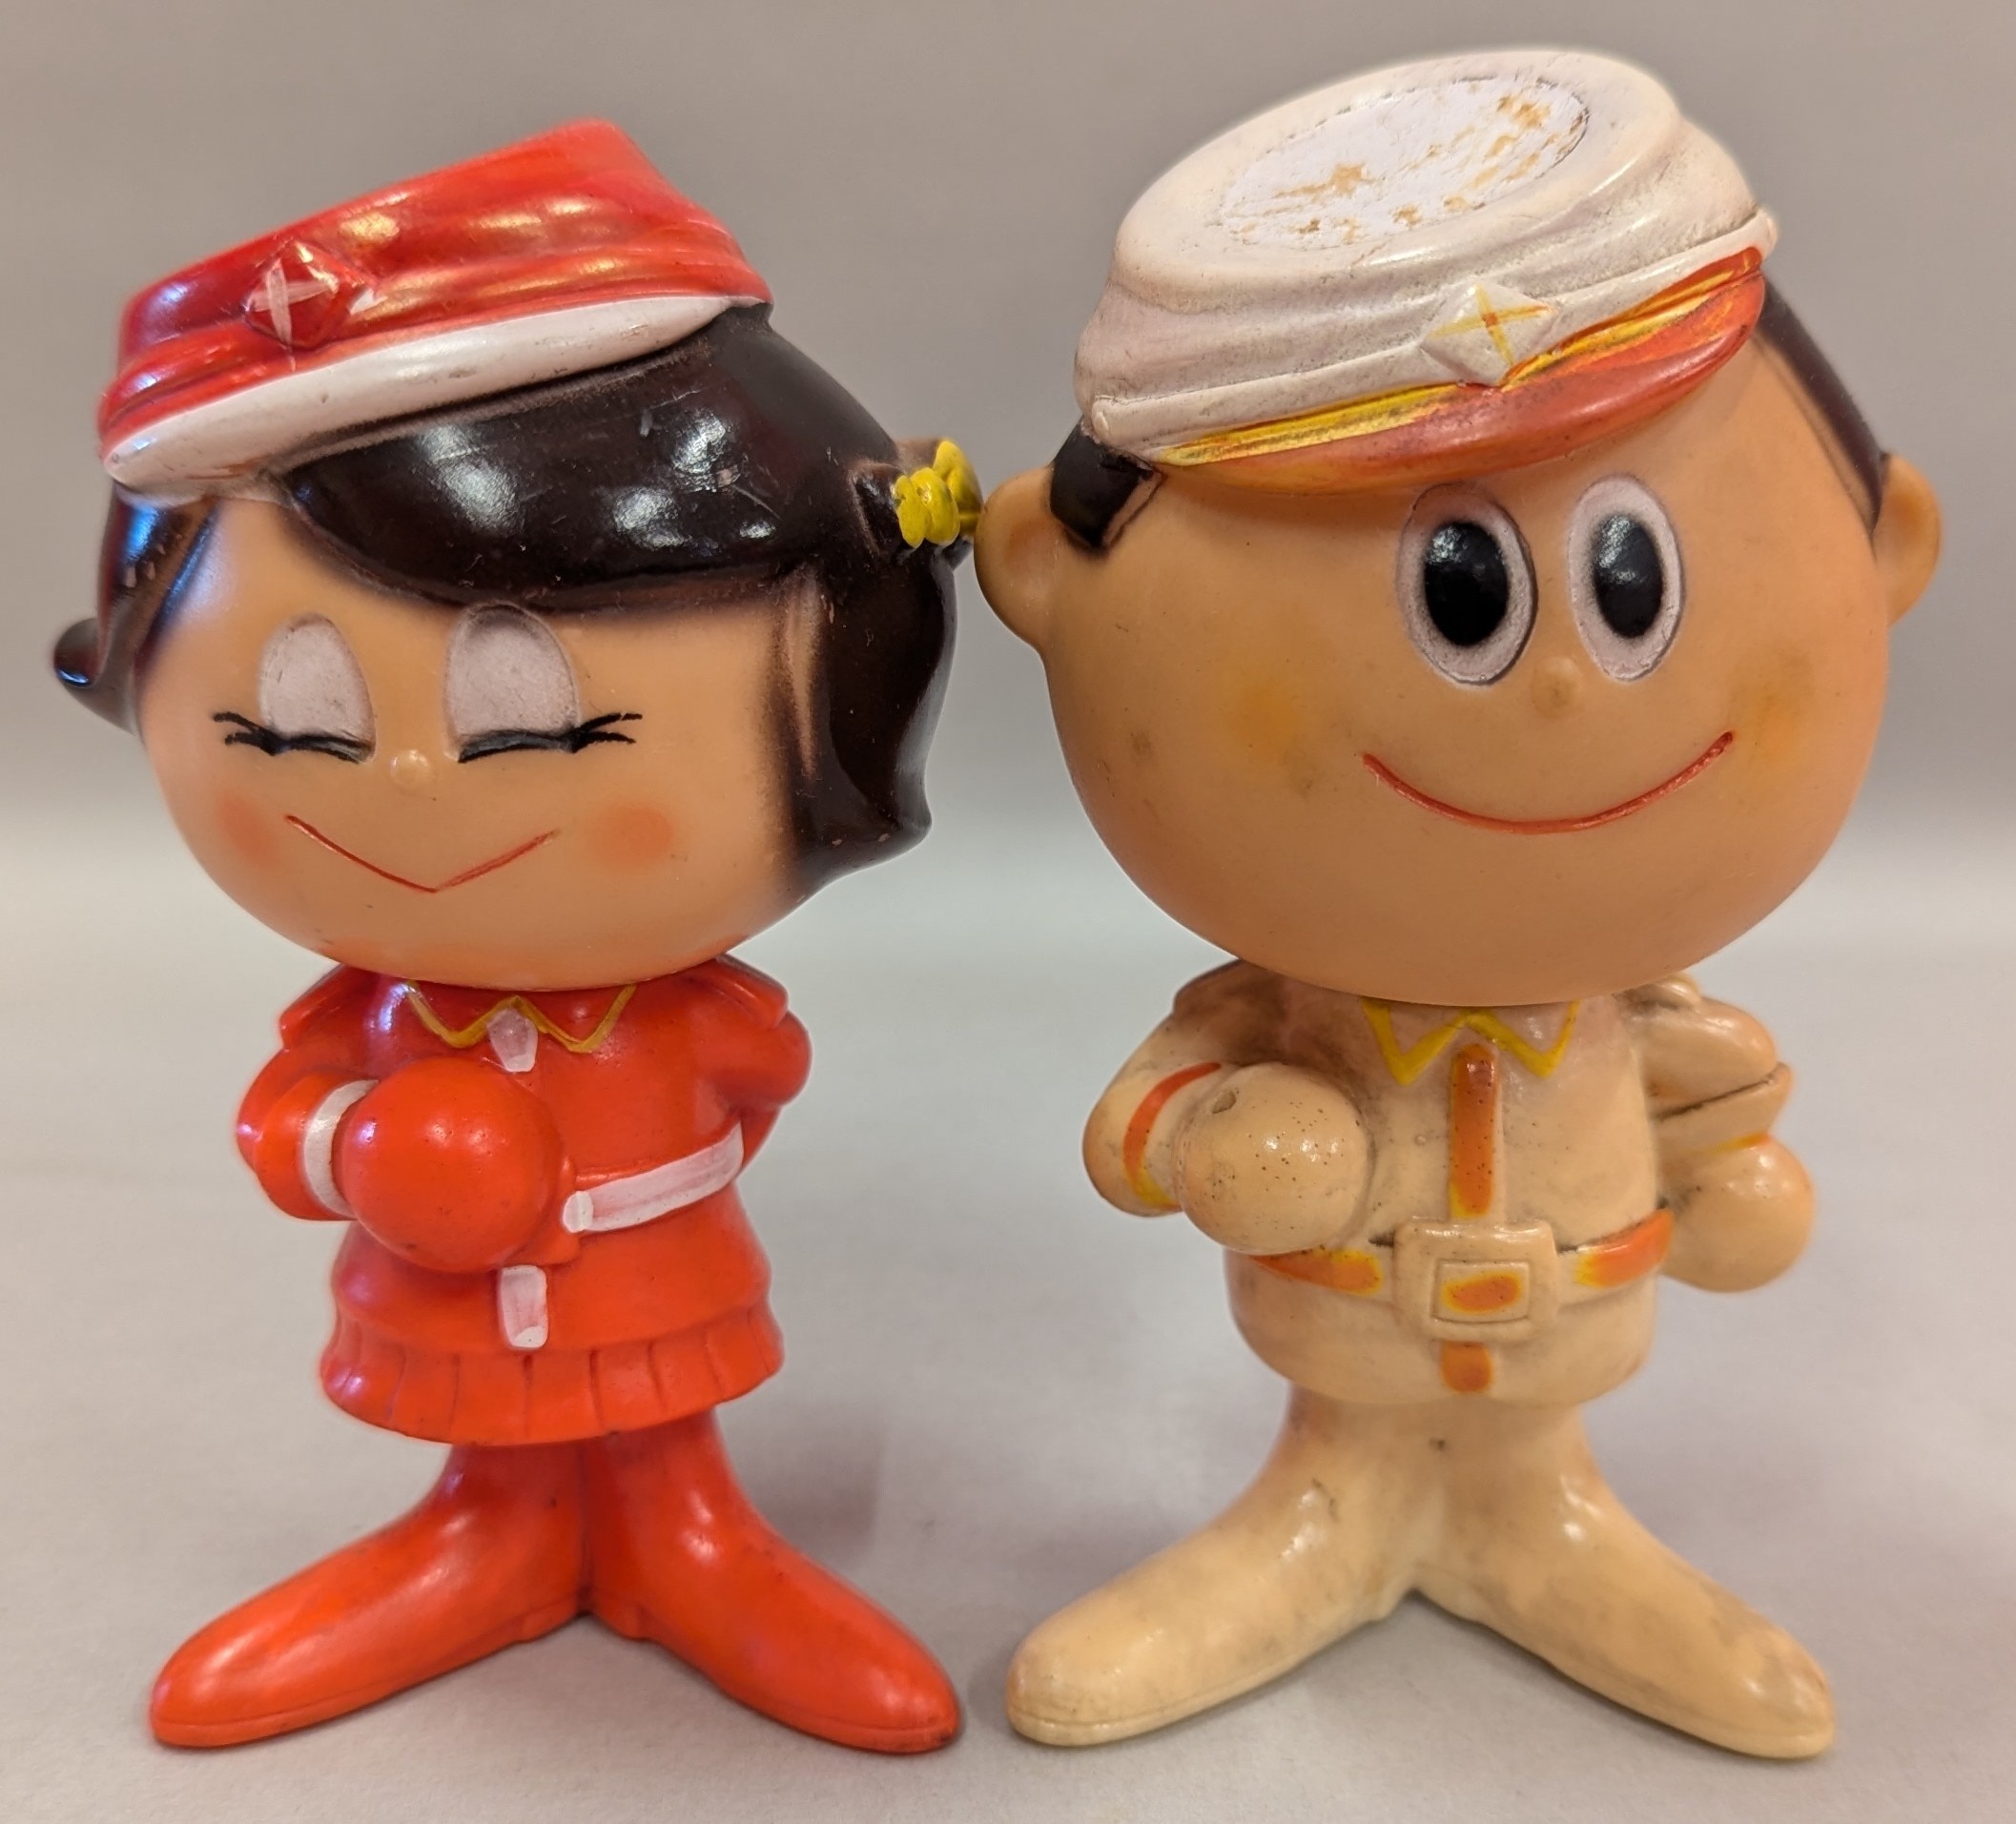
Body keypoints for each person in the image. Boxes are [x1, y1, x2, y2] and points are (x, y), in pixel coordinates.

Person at [977, 50, 1940, 1757]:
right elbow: (1138, 1129)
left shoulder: (1651, 1026)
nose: (1562, 690)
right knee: (1329, 1456)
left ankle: (1536, 1519)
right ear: (1048, 586)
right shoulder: (1282, 1002)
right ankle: (1328, 1511)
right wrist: (1217, 1139)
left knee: (1548, 1473)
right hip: (1341, 1344)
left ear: (1886, 551)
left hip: (1560, 1348)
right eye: (1464, 589)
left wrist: (1730, 1181)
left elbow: (1724, 1164)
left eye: (1627, 582)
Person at [59, 120, 976, 1753]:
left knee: (659, 1434)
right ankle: (484, 1534)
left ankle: (688, 1541)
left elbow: (756, 1081)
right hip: (448, 1293)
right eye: (295, 721)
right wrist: (365, 1149)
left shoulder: (681, 999)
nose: (414, 778)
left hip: (656, 1289)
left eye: (528, 719)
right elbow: (282, 1121)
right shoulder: (379, 1007)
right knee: (500, 1443)